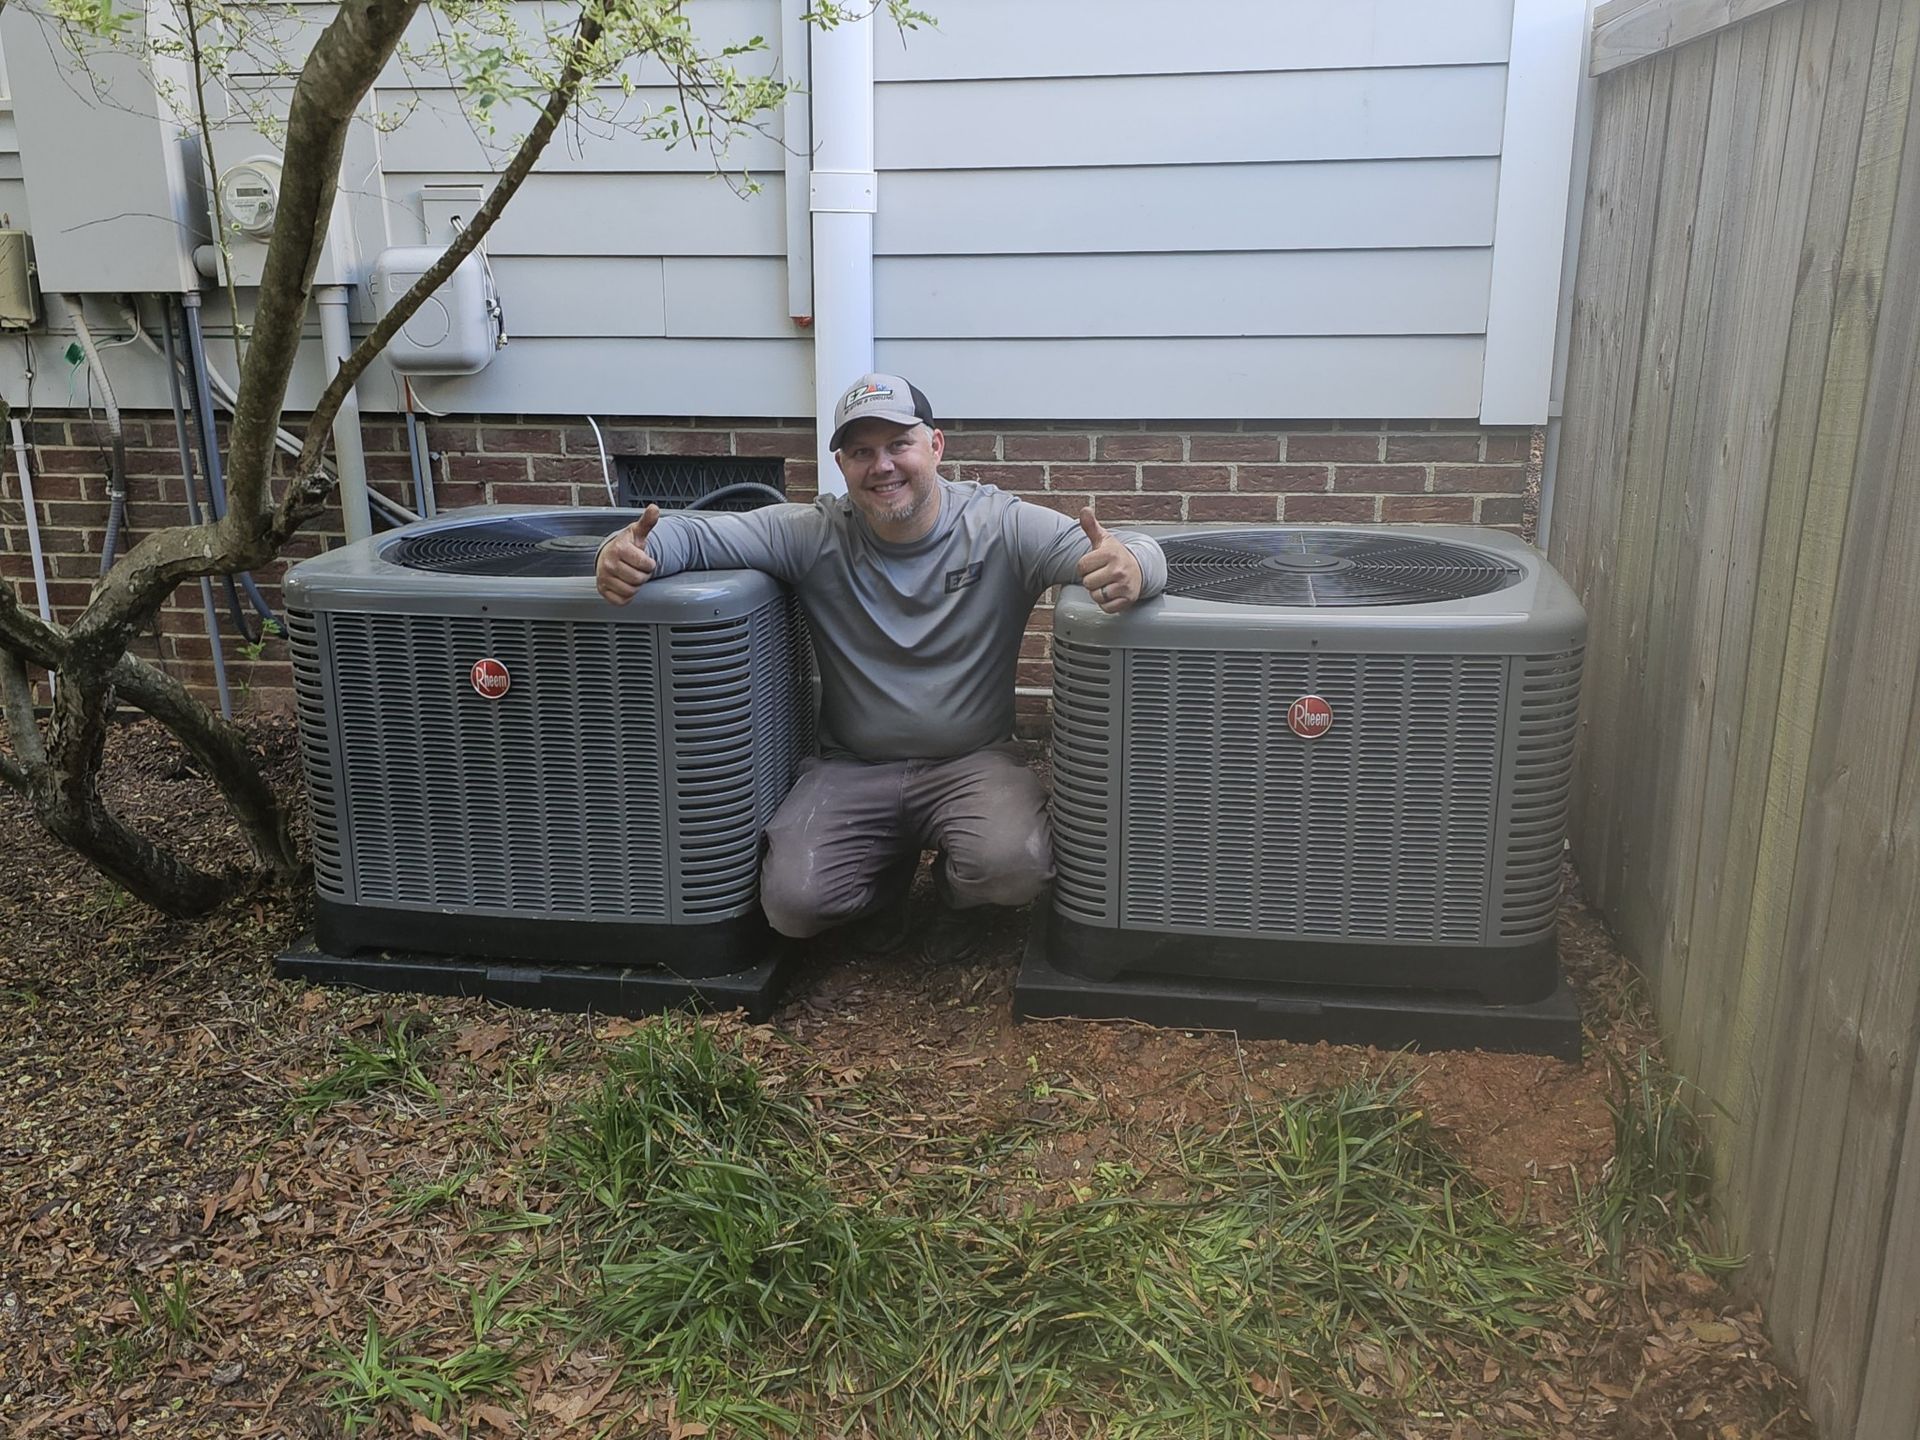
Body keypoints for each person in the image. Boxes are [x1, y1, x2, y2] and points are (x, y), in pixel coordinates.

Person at [595, 372, 1167, 961]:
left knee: (1012, 866)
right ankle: (882, 889)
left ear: (935, 446)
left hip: (971, 762)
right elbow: (695, 537)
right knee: (794, 905)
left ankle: (955, 898)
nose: (883, 466)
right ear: (841, 464)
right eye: (862, 452)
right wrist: (629, 551)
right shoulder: (814, 533)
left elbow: (1125, 551)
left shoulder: (999, 525)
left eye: (899, 445)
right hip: (852, 767)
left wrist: (1132, 567)